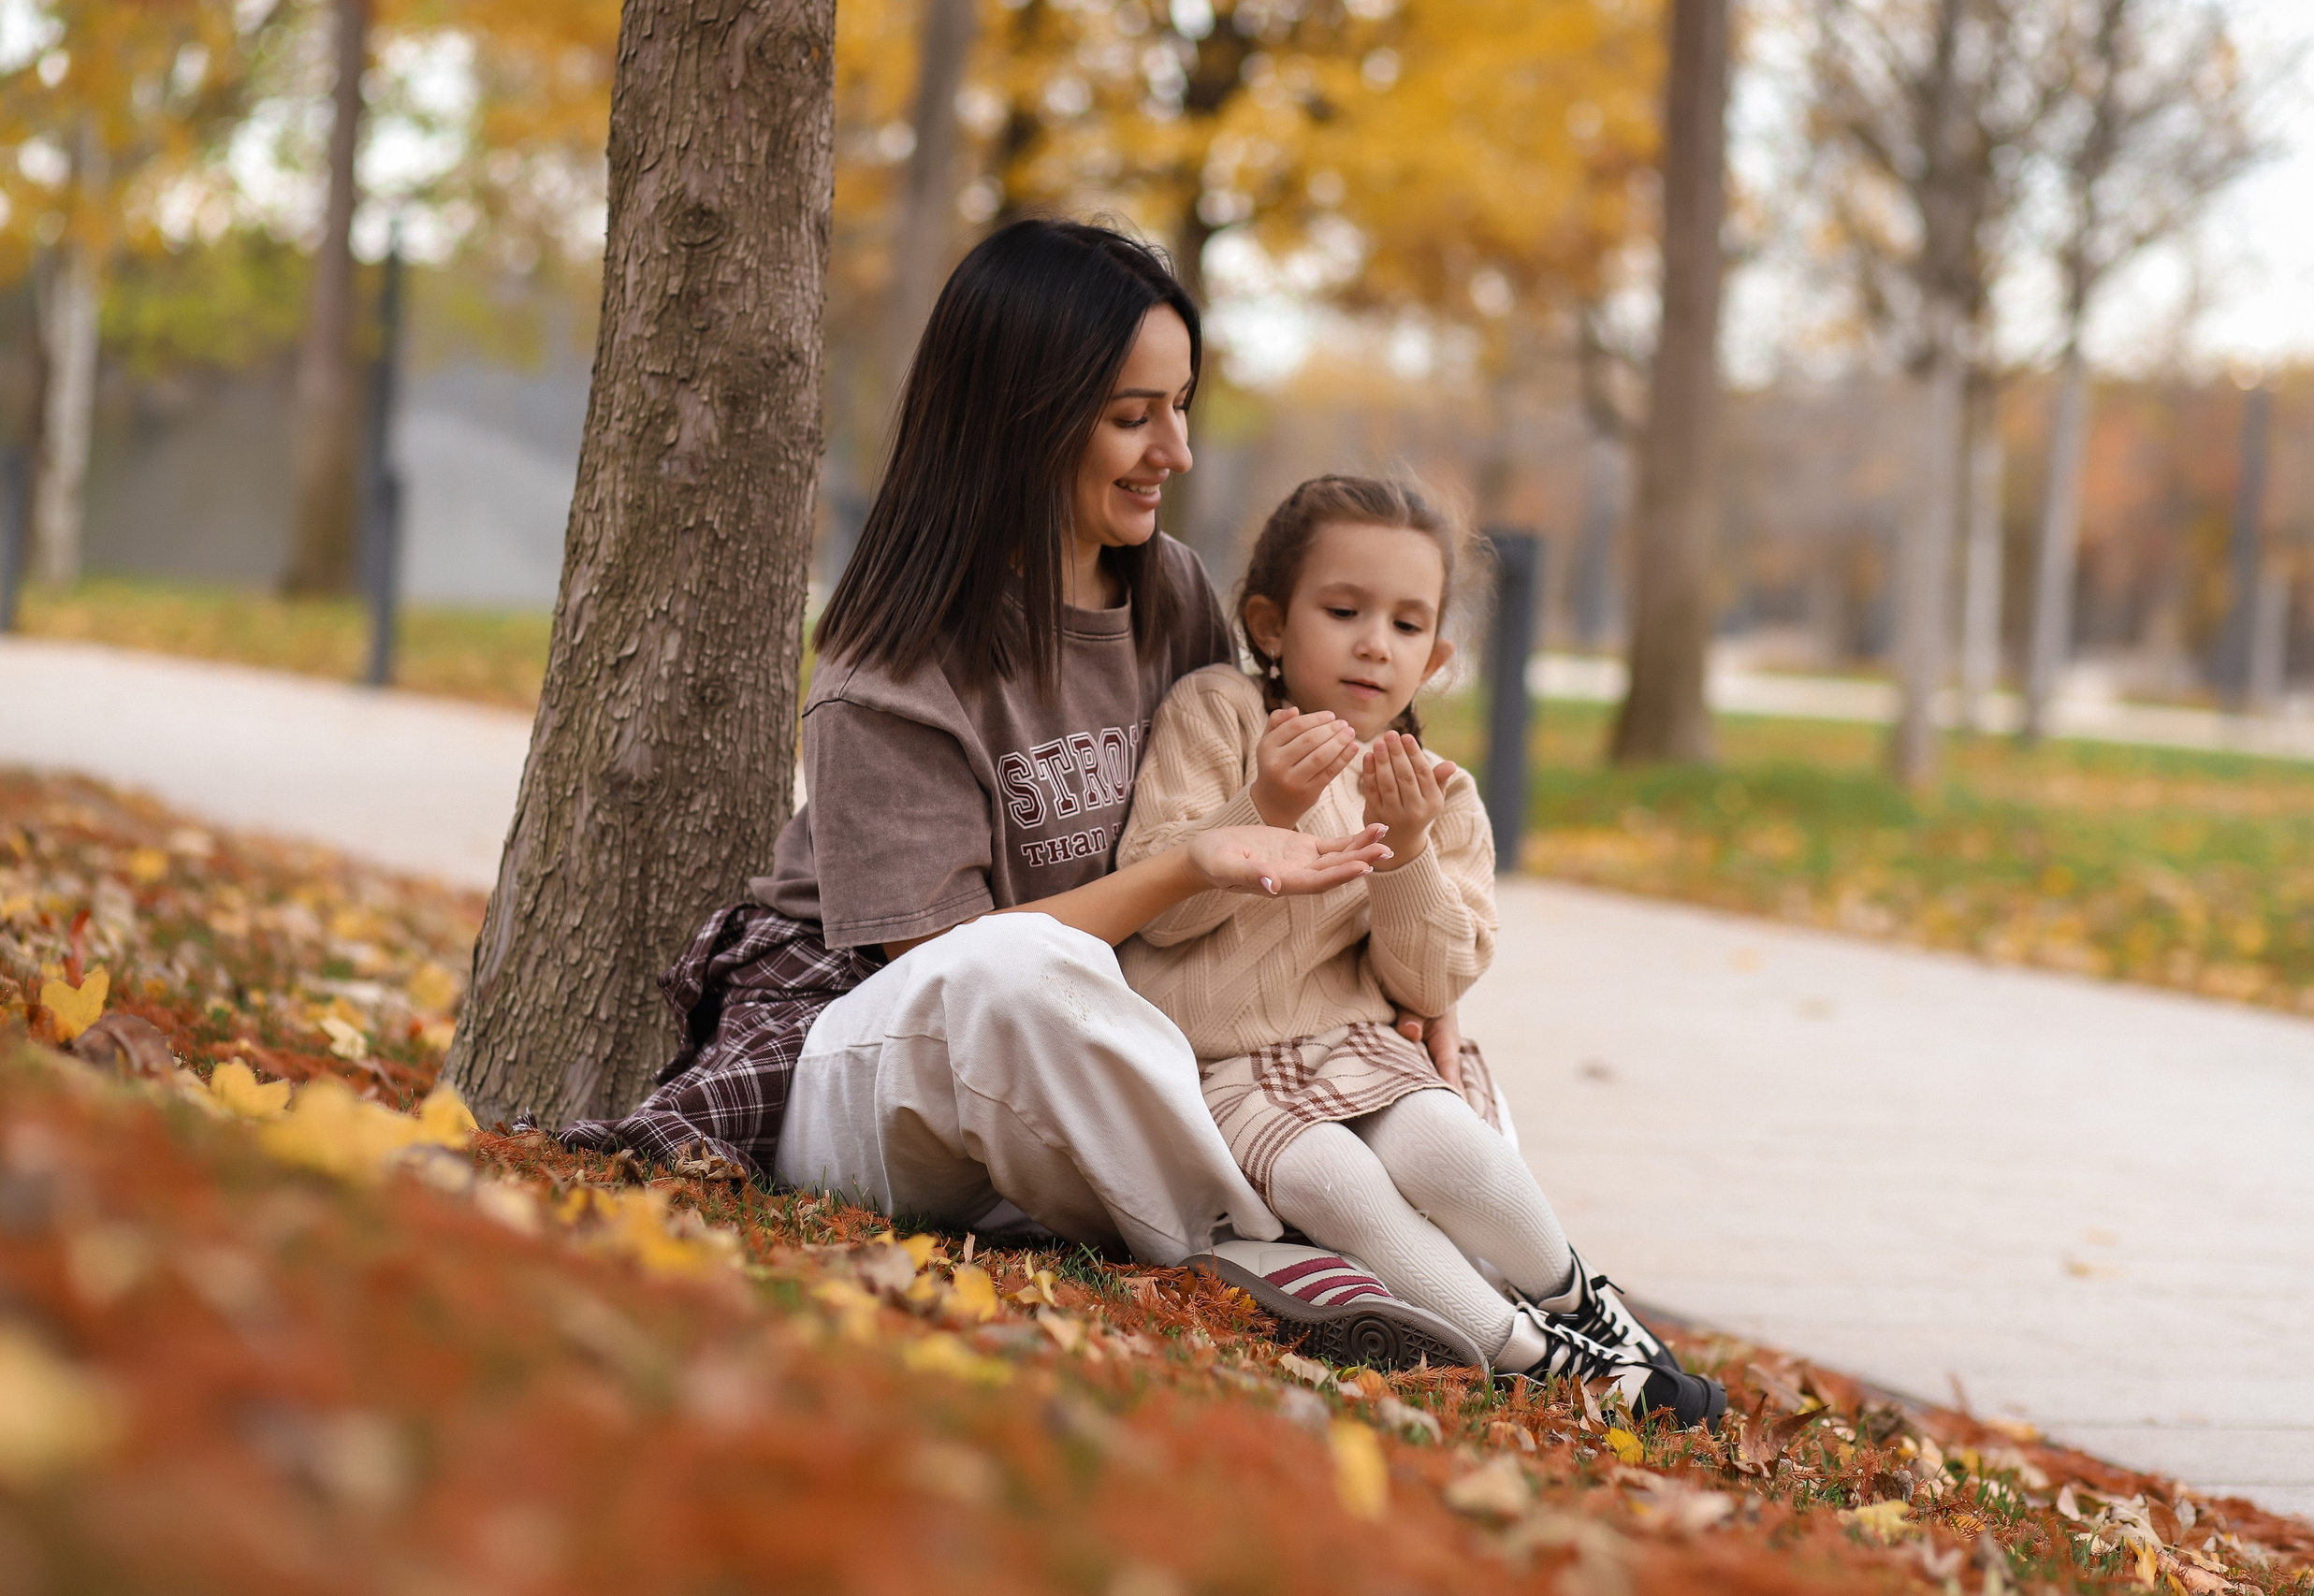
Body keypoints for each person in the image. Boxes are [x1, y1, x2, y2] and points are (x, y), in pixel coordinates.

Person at [559, 218, 1401, 1268]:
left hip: (1095, 1061)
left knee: (1395, 1062)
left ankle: (1528, 1303)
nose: (1174, 452)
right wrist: (1186, 865)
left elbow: (1267, 843)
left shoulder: (1169, 591)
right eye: (1133, 417)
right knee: (1015, 969)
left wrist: (1415, 991)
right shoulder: (891, 670)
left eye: (1179, 408)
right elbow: (953, 972)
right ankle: (1257, 1251)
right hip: (886, 1060)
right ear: (1026, 420)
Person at [1117, 475, 1726, 1425]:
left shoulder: (1436, 791)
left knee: (1449, 1147)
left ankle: (1583, 1304)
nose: (1374, 642)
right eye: (1344, 610)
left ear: (1436, 656)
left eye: (1406, 625)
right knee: (1334, 1177)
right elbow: (1157, 908)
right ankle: (1536, 1360)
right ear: (1271, 624)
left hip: (1360, 1049)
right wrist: (1264, 807)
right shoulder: (1220, 715)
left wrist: (1403, 851)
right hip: (1220, 1062)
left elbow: (1431, 979)